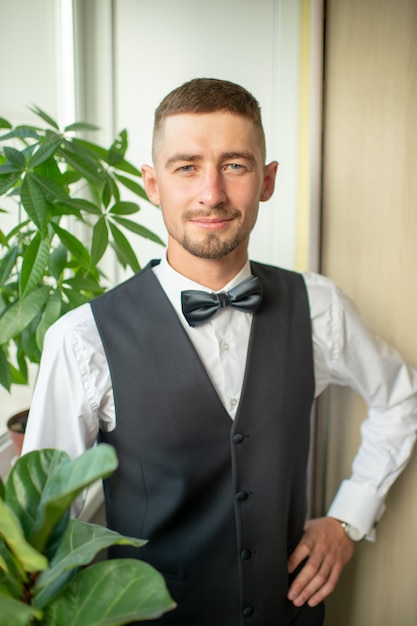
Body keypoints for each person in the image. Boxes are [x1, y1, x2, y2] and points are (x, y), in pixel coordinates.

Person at [22, 78, 417, 626]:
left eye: (235, 165)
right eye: (186, 167)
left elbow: (401, 399)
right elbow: (42, 526)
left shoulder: (318, 307)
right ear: (153, 184)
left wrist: (347, 518)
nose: (212, 193)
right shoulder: (81, 338)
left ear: (267, 180)